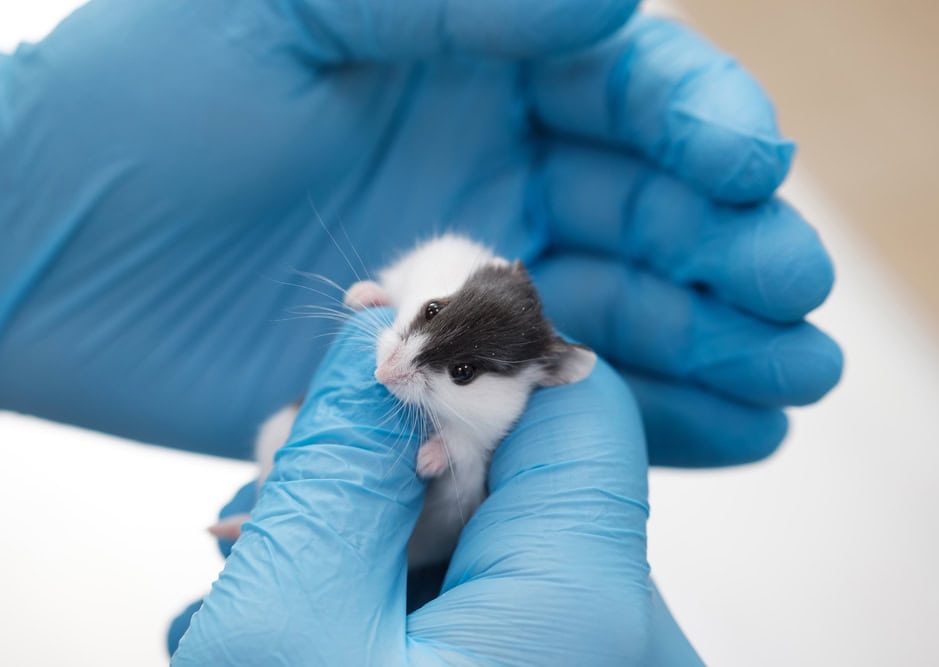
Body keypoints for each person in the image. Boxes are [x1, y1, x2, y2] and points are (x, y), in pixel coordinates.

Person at [0, 0, 842, 664]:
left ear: (543, 374)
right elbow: (422, 270)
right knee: (285, 440)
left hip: (416, 535)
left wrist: (450, 461)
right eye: (428, 321)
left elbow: (461, 497)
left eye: (463, 371)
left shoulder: (527, 396)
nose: (401, 359)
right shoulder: (456, 263)